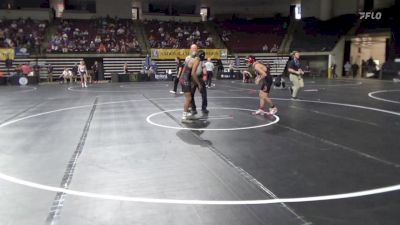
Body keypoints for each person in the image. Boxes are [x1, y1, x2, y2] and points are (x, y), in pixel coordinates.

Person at [180, 50, 203, 123]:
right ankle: (184, 117)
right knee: (188, 98)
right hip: (185, 80)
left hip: (185, 79)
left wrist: (181, 78)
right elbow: (193, 73)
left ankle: (189, 115)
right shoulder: (197, 60)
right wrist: (199, 84)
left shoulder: (191, 59)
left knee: (190, 97)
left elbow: (184, 70)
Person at [189, 45, 208, 115]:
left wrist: (205, 76)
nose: (194, 49)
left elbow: (204, 67)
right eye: (193, 48)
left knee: (204, 93)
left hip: (199, 77)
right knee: (191, 94)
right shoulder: (188, 58)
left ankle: (204, 107)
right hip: (192, 78)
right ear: (190, 49)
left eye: (196, 48)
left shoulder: (200, 58)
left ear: (197, 49)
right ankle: (193, 108)